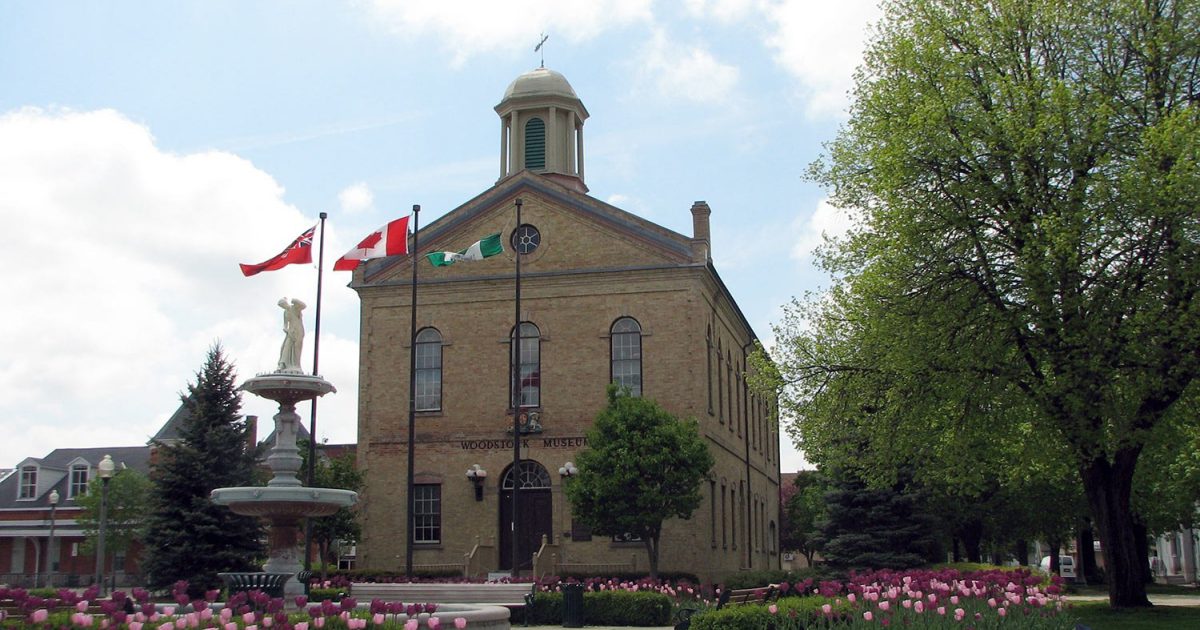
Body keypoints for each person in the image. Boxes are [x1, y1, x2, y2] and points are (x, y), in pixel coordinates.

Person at [277, 297, 306, 372]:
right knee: (285, 346)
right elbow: (285, 324)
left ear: (285, 303)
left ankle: (296, 365)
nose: (283, 307)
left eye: (283, 305)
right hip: (290, 331)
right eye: (281, 306)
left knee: (297, 348)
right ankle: (282, 364)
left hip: (298, 330)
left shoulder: (295, 308)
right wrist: (285, 329)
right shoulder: (285, 312)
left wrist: (295, 300)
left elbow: (304, 306)